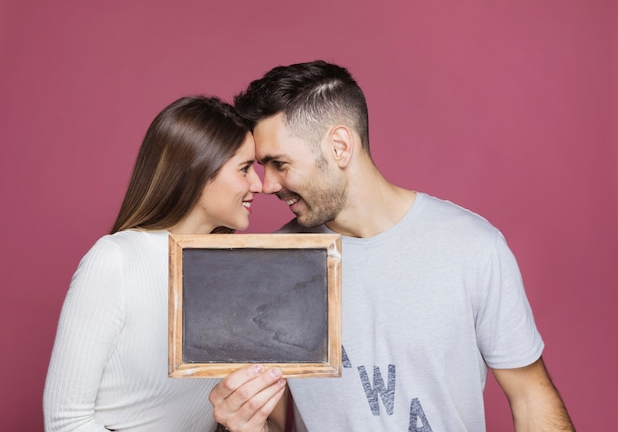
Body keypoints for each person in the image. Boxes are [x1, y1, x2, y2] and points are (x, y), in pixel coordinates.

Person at [209, 61, 576, 431]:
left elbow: (530, 395)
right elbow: (275, 423)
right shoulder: (269, 267)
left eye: (279, 164)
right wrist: (243, 426)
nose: (268, 184)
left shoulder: (473, 247)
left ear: (339, 146)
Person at [43, 96, 286, 431]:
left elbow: (260, 418)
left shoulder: (236, 272)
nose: (259, 186)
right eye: (244, 169)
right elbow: (66, 422)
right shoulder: (115, 260)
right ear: (198, 170)